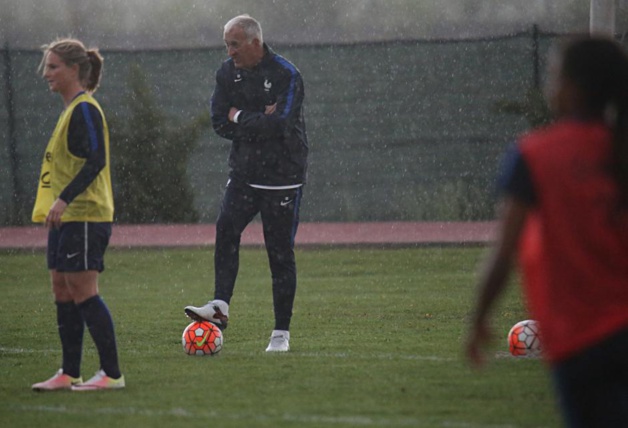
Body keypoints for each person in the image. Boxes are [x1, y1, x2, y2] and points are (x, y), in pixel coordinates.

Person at [466, 35, 628, 427]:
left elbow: (505, 252)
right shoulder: (618, 148)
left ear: (572, 88)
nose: (550, 86)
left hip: (580, 337)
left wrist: (479, 318)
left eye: (555, 76)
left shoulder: (536, 154)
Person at [184, 15, 309, 352]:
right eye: (227, 44)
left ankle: (280, 333)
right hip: (244, 173)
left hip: (283, 177)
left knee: (279, 253)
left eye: (235, 44)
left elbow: (281, 123)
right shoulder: (227, 73)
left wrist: (238, 115)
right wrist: (255, 118)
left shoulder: (287, 74)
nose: (230, 51)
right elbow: (218, 122)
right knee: (226, 229)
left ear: (255, 42)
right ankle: (220, 305)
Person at [31, 38, 125, 391]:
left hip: (85, 214)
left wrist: (64, 200)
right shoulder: (70, 109)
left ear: (74, 69)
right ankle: (69, 372)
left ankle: (111, 375)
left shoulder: (85, 109)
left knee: (83, 289)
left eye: (53, 67)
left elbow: (96, 160)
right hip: (66, 217)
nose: (46, 74)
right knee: (62, 288)